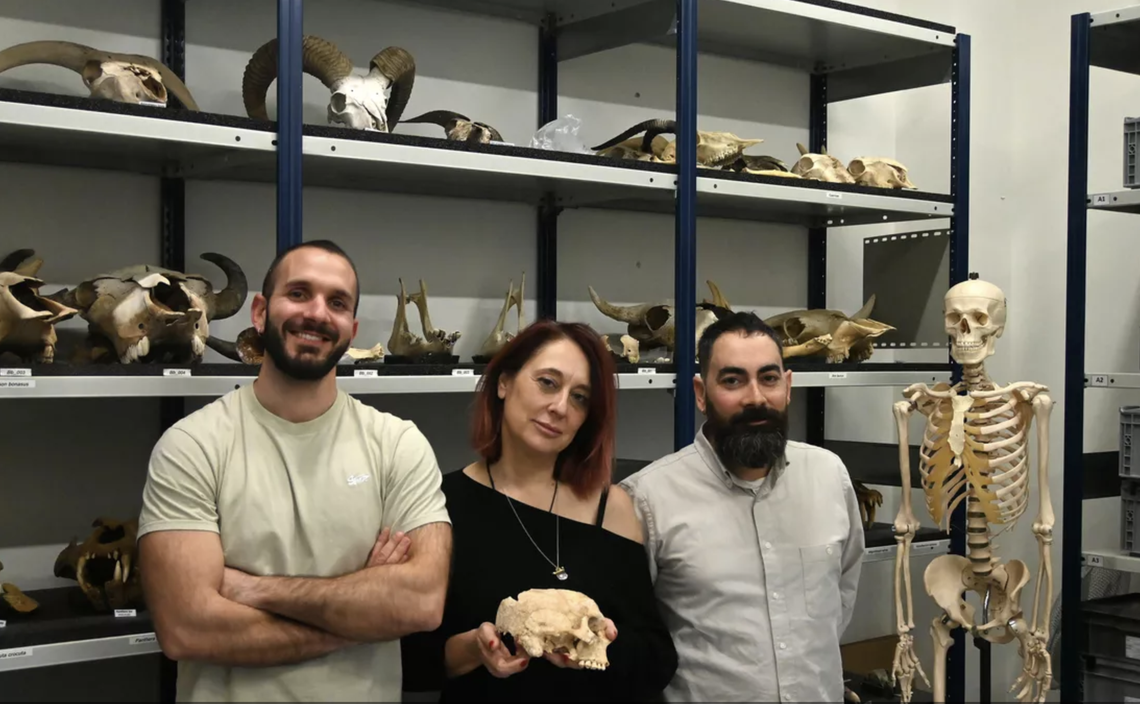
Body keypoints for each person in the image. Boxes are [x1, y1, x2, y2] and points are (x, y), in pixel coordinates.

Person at [137, 240, 453, 702]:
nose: (318, 314)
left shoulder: (398, 445)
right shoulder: (192, 447)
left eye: (338, 302)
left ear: (352, 328)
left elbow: (421, 603)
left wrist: (253, 589)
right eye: (299, 293)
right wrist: (362, 616)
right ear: (261, 312)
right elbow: (188, 629)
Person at [400, 319, 678, 702]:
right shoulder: (440, 505)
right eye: (547, 382)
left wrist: (601, 646)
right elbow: (408, 662)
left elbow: (657, 660)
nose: (560, 407)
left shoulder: (610, 507)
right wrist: (474, 649)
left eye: (580, 397)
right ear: (504, 383)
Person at [621, 310, 865, 703]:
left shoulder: (828, 475)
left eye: (768, 378)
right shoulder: (648, 498)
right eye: (733, 380)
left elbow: (840, 598)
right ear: (701, 394)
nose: (755, 397)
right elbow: (634, 643)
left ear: (787, 387)